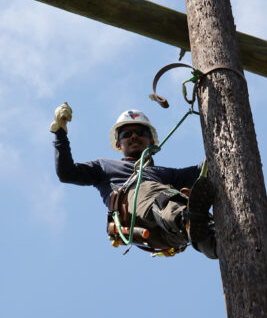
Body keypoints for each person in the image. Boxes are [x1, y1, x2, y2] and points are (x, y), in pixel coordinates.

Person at [51, 103, 217, 259]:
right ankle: (187, 218)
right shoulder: (104, 166)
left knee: (199, 222)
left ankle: (216, 242)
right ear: (118, 144)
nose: (134, 136)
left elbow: (204, 169)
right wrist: (60, 133)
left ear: (151, 141)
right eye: (127, 134)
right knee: (151, 190)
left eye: (140, 132)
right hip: (136, 217)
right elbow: (66, 173)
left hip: (168, 235)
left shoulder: (165, 174)